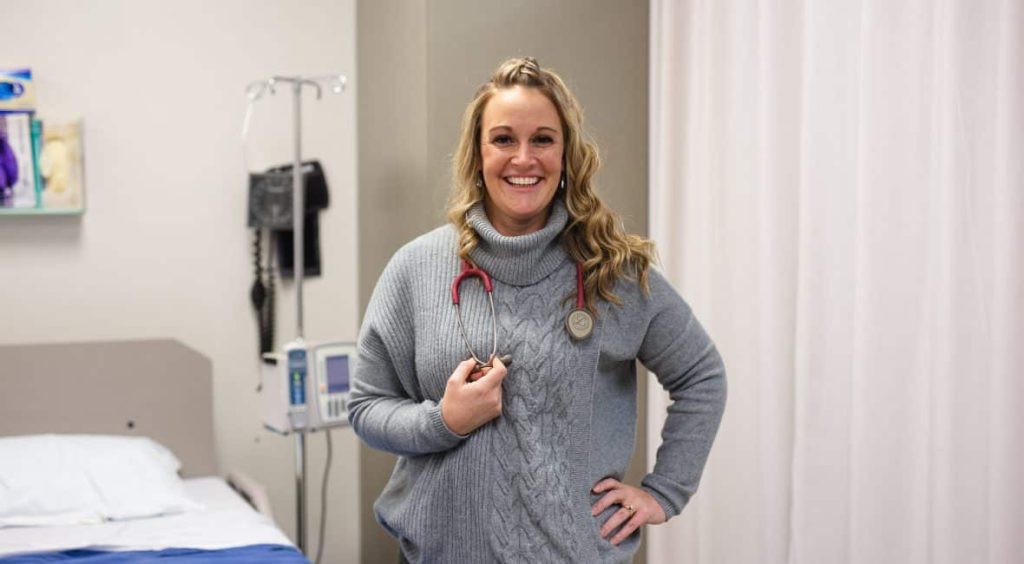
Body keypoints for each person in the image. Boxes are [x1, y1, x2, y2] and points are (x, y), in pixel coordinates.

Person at [349, 57, 726, 564]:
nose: (523, 158)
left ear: (567, 155)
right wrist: (444, 420)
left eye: (543, 140)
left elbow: (701, 376)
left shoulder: (612, 271)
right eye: (503, 139)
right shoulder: (416, 269)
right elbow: (367, 406)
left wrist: (664, 492)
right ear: (477, 153)